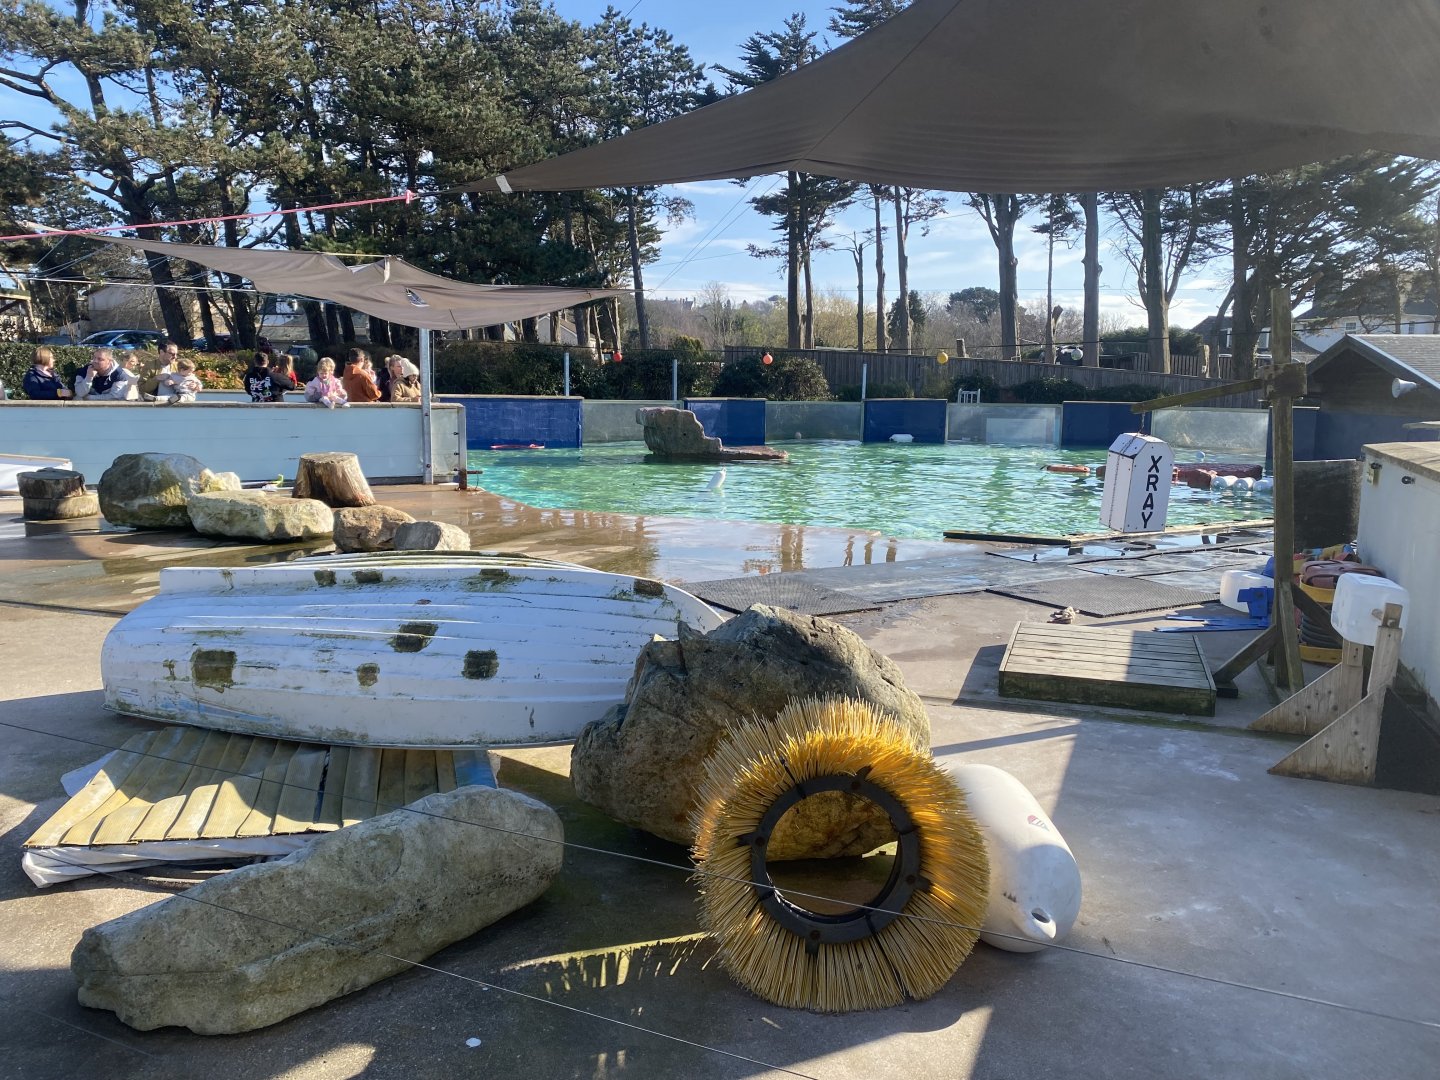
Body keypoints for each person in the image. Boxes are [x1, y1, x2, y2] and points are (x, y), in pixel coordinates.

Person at [73, 349, 139, 400]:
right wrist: (89, 377)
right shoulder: (85, 370)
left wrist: (90, 398)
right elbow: (79, 393)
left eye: (100, 359)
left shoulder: (119, 375)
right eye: (94, 358)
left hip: (110, 411)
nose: (95, 361)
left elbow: (114, 398)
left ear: (109, 361)